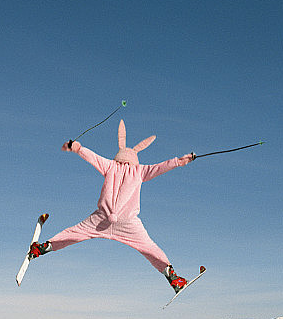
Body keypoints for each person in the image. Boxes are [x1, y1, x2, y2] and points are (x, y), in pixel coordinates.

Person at [28, 119, 195, 293]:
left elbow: (92, 157)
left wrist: (76, 147)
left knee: (76, 232)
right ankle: (173, 278)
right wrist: (181, 161)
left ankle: (42, 248)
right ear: (135, 159)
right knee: (148, 247)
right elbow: (161, 167)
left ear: (119, 154)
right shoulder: (140, 171)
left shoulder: (110, 165)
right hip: (128, 222)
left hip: (102, 218)